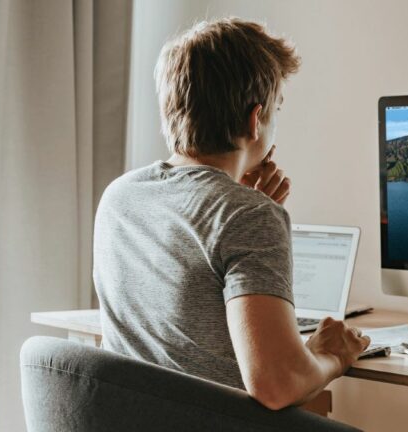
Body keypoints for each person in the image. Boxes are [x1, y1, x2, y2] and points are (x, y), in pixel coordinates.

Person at [93, 18, 370, 411]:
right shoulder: (248, 216)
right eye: (276, 109)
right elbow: (276, 385)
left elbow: (188, 324)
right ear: (255, 120)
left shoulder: (119, 197)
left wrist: (243, 203)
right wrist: (332, 356)